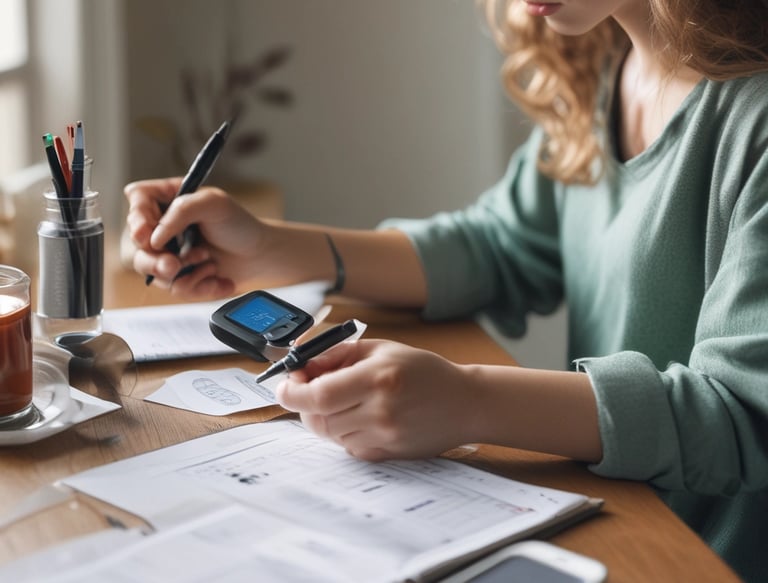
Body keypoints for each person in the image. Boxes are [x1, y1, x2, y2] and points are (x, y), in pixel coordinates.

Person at [124, 1, 768, 580]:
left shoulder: (754, 122)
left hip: (703, 555)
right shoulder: (604, 60)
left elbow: (742, 416)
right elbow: (498, 246)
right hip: (619, 514)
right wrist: (266, 245)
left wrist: (470, 400)